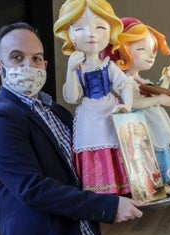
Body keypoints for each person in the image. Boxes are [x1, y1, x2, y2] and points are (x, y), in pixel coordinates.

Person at [0, 22, 143, 235]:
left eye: (37, 58)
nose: (30, 65)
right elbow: (33, 189)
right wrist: (108, 206)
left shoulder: (56, 111)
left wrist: (131, 182)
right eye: (17, 57)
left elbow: (87, 166)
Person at [54, 0, 134, 195]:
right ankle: (96, 192)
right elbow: (73, 97)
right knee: (92, 146)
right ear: (70, 33)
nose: (91, 34)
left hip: (109, 112)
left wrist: (127, 106)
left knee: (114, 145)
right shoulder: (77, 67)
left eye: (100, 27)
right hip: (88, 116)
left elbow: (125, 85)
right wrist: (70, 70)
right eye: (80, 28)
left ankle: (120, 190)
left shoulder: (108, 65)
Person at [108, 17, 170, 183]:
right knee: (149, 161)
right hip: (142, 130)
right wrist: (159, 99)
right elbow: (133, 102)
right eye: (141, 49)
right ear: (123, 50)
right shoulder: (124, 81)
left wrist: (167, 80)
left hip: (157, 126)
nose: (150, 56)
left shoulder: (142, 81)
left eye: (152, 51)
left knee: (165, 156)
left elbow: (158, 96)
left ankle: (168, 183)